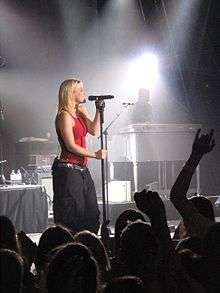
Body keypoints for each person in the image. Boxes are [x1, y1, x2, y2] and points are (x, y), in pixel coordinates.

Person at [52, 78, 107, 234]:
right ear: (71, 93)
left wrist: (98, 110)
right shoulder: (64, 116)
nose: (85, 93)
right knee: (73, 213)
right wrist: (95, 154)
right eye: (81, 90)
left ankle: (88, 243)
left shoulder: (79, 113)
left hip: (82, 169)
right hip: (68, 169)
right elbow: (70, 145)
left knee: (91, 212)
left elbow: (94, 130)